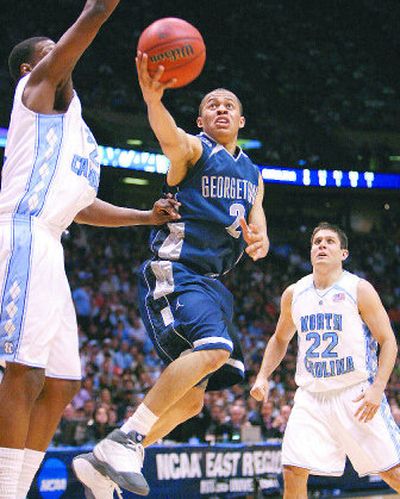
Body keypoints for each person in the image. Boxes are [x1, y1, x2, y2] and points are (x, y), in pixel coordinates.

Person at [0, 2, 180, 498]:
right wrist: (99, 9)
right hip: (22, 232)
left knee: (62, 382)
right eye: (49, 52)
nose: (61, 56)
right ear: (30, 67)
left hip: (52, 240)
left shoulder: (78, 130)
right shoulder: (34, 94)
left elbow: (82, 207)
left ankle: (15, 487)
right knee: (25, 371)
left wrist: (144, 216)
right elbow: (90, 22)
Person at [73, 52, 269, 495]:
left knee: (193, 400)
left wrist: (259, 243)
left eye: (228, 105)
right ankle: (125, 439)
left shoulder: (254, 175)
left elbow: (261, 233)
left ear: (241, 119)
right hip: (177, 271)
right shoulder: (194, 150)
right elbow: (166, 133)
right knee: (215, 348)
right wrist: (152, 98)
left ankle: (107, 459)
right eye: (212, 104)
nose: (221, 108)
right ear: (201, 119)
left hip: (215, 285)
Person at [251, 222, 400, 498]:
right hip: (311, 396)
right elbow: (280, 339)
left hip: (355, 394)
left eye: (329, 241)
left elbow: (389, 341)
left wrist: (378, 388)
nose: (321, 245)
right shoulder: (294, 293)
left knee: (393, 472)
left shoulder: (359, 289)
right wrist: (262, 376)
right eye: (316, 241)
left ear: (343, 253)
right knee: (293, 470)